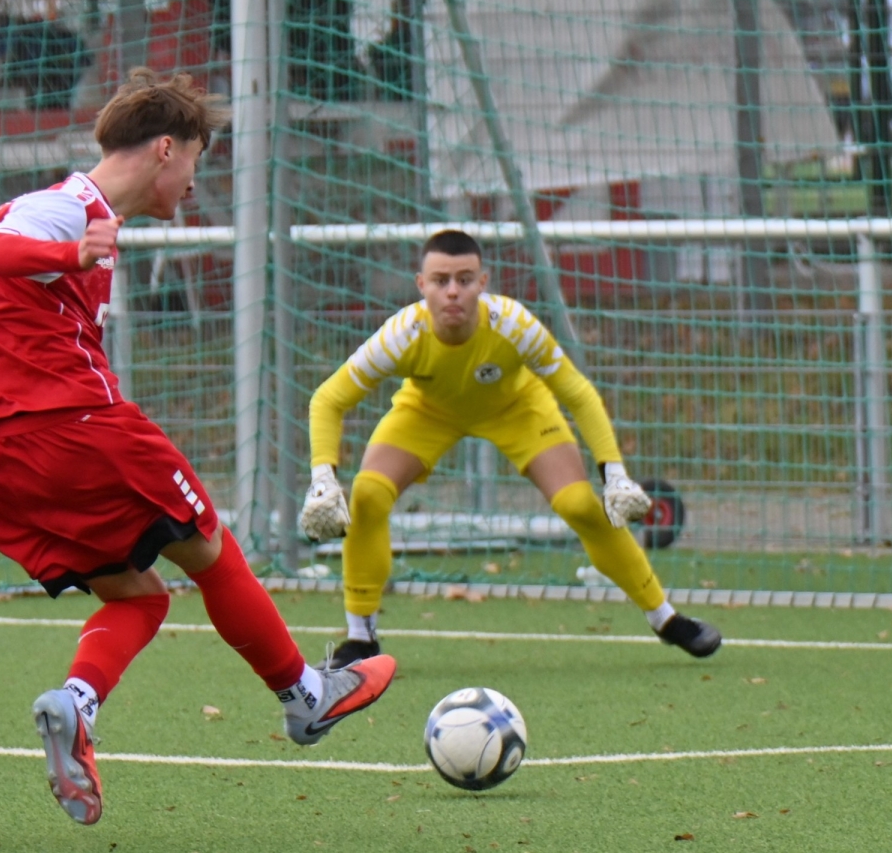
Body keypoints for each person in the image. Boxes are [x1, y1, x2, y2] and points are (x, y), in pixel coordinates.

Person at [0, 68, 395, 828]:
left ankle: (76, 703)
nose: (193, 180)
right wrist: (74, 255)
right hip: (76, 427)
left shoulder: (81, 218)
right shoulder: (68, 207)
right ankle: (305, 697)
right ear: (165, 148)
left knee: (139, 595)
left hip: (0, 458)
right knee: (211, 546)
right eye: (194, 157)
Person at [301, 229, 723, 667]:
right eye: (441, 280)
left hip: (517, 409)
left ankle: (666, 618)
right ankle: (360, 638)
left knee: (580, 505)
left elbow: (578, 393)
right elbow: (328, 399)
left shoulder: (513, 325)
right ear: (421, 285)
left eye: (464, 279)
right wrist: (322, 478)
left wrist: (613, 473)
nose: (452, 291)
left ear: (483, 283)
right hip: (428, 411)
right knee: (369, 494)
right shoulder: (401, 334)